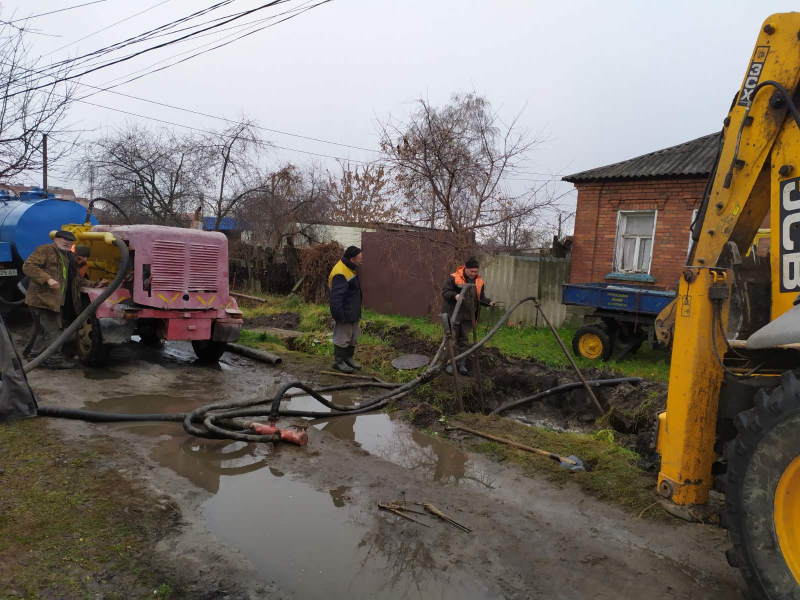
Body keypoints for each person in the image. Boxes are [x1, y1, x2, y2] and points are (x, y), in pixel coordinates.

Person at [22, 231, 94, 368]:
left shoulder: (69, 257)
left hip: (55, 301)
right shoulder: (46, 250)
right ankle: (55, 360)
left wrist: (94, 284)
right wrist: (47, 279)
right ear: (55, 240)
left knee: (44, 330)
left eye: (70, 241)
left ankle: (36, 357)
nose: (67, 242)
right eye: (64, 239)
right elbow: (28, 266)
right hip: (43, 299)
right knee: (54, 331)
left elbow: (75, 280)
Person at [441, 256, 495, 375]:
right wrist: (455, 296)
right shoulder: (454, 278)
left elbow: (480, 297)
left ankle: (461, 364)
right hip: (453, 315)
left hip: (468, 317)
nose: (474, 274)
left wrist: (489, 302)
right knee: (452, 339)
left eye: (476, 272)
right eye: (472, 271)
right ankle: (449, 364)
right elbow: (445, 292)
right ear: (465, 268)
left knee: (464, 341)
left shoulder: (479, 282)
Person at [328, 245, 363, 373]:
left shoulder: (350, 267)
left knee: (354, 336)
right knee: (342, 338)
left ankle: (348, 359)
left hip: (352, 310)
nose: (361, 260)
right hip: (344, 312)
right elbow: (336, 298)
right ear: (352, 259)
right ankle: (338, 362)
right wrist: (339, 316)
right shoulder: (340, 272)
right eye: (360, 258)